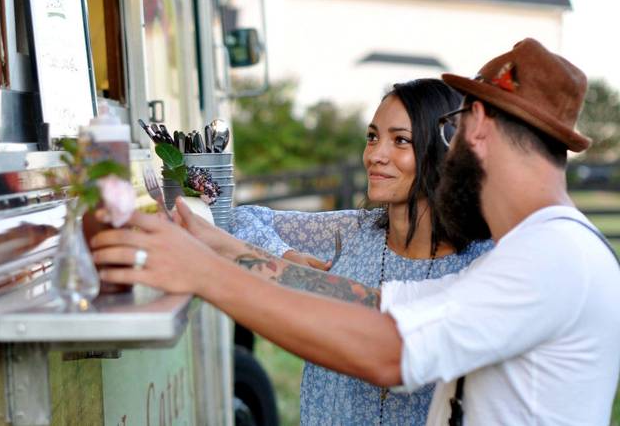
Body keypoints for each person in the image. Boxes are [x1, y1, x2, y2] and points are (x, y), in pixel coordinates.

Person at [91, 38, 620, 425]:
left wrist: (205, 274)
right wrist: (221, 247)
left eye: (447, 132)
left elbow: (388, 352)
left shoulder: (551, 257)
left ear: (476, 124)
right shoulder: (545, 247)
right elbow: (372, 305)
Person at [227, 79, 493, 425]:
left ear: (442, 150)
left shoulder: (480, 261)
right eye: (372, 137)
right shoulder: (352, 231)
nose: (375, 155)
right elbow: (241, 219)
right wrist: (287, 256)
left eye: (400, 140)